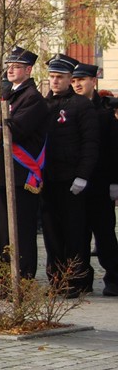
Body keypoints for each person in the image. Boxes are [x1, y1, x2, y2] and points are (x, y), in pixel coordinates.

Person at [40, 53, 98, 296]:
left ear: (69, 79)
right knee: (52, 233)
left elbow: (90, 143)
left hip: (72, 179)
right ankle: (56, 280)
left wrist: (83, 175)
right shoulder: (45, 104)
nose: (55, 81)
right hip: (47, 179)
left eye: (60, 77)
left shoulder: (81, 105)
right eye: (52, 77)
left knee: (75, 232)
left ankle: (77, 280)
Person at [0, 46, 48, 279]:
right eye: (9, 67)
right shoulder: (9, 94)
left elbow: (15, 130)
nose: (11, 70)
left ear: (29, 70)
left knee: (21, 231)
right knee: (3, 231)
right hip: (5, 172)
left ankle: (22, 278)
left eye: (16, 67)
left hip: (23, 174)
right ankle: (4, 277)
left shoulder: (33, 98)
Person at [71, 62, 118, 296]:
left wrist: (114, 183)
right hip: (76, 185)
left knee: (105, 234)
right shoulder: (69, 109)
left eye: (82, 80)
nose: (78, 84)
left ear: (93, 81)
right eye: (74, 80)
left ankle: (114, 278)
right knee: (79, 235)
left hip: (100, 184)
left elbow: (113, 151)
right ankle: (82, 280)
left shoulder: (105, 114)